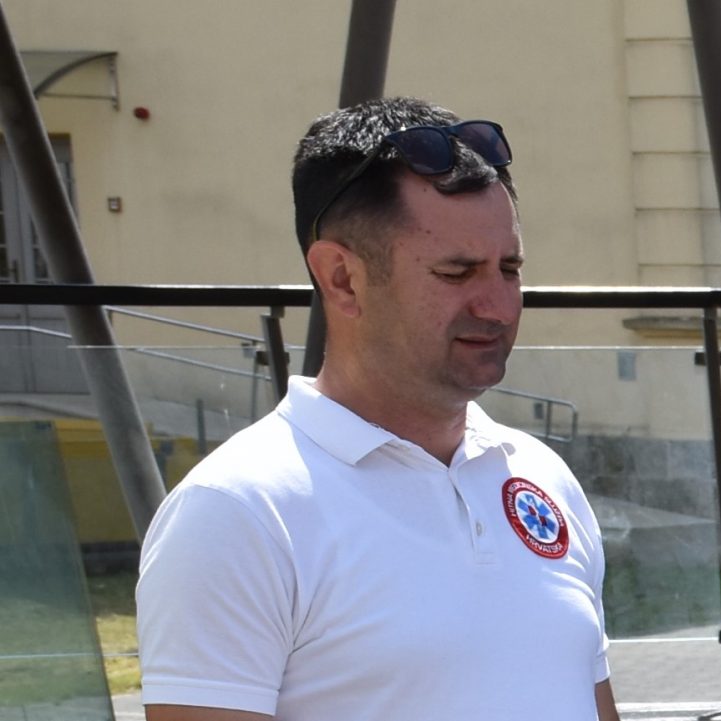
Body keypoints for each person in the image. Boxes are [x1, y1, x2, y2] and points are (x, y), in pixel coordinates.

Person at [136, 96, 620, 721]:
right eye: (457, 272)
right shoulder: (238, 511)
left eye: (509, 268)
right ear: (341, 278)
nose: (499, 306)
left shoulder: (540, 475)